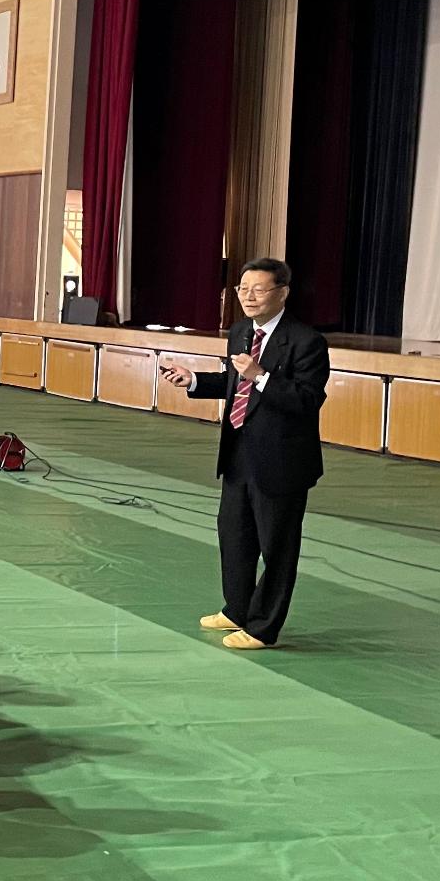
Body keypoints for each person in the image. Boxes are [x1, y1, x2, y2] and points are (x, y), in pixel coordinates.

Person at [159, 256, 329, 651]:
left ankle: (263, 628)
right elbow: (236, 384)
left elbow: (306, 401)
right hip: (238, 454)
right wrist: (195, 380)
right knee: (234, 536)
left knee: (277, 549)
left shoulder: (306, 342)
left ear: (282, 292)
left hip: (282, 462)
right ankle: (237, 608)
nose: (249, 297)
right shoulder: (239, 332)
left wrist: (261, 376)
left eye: (258, 289)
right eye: (242, 289)